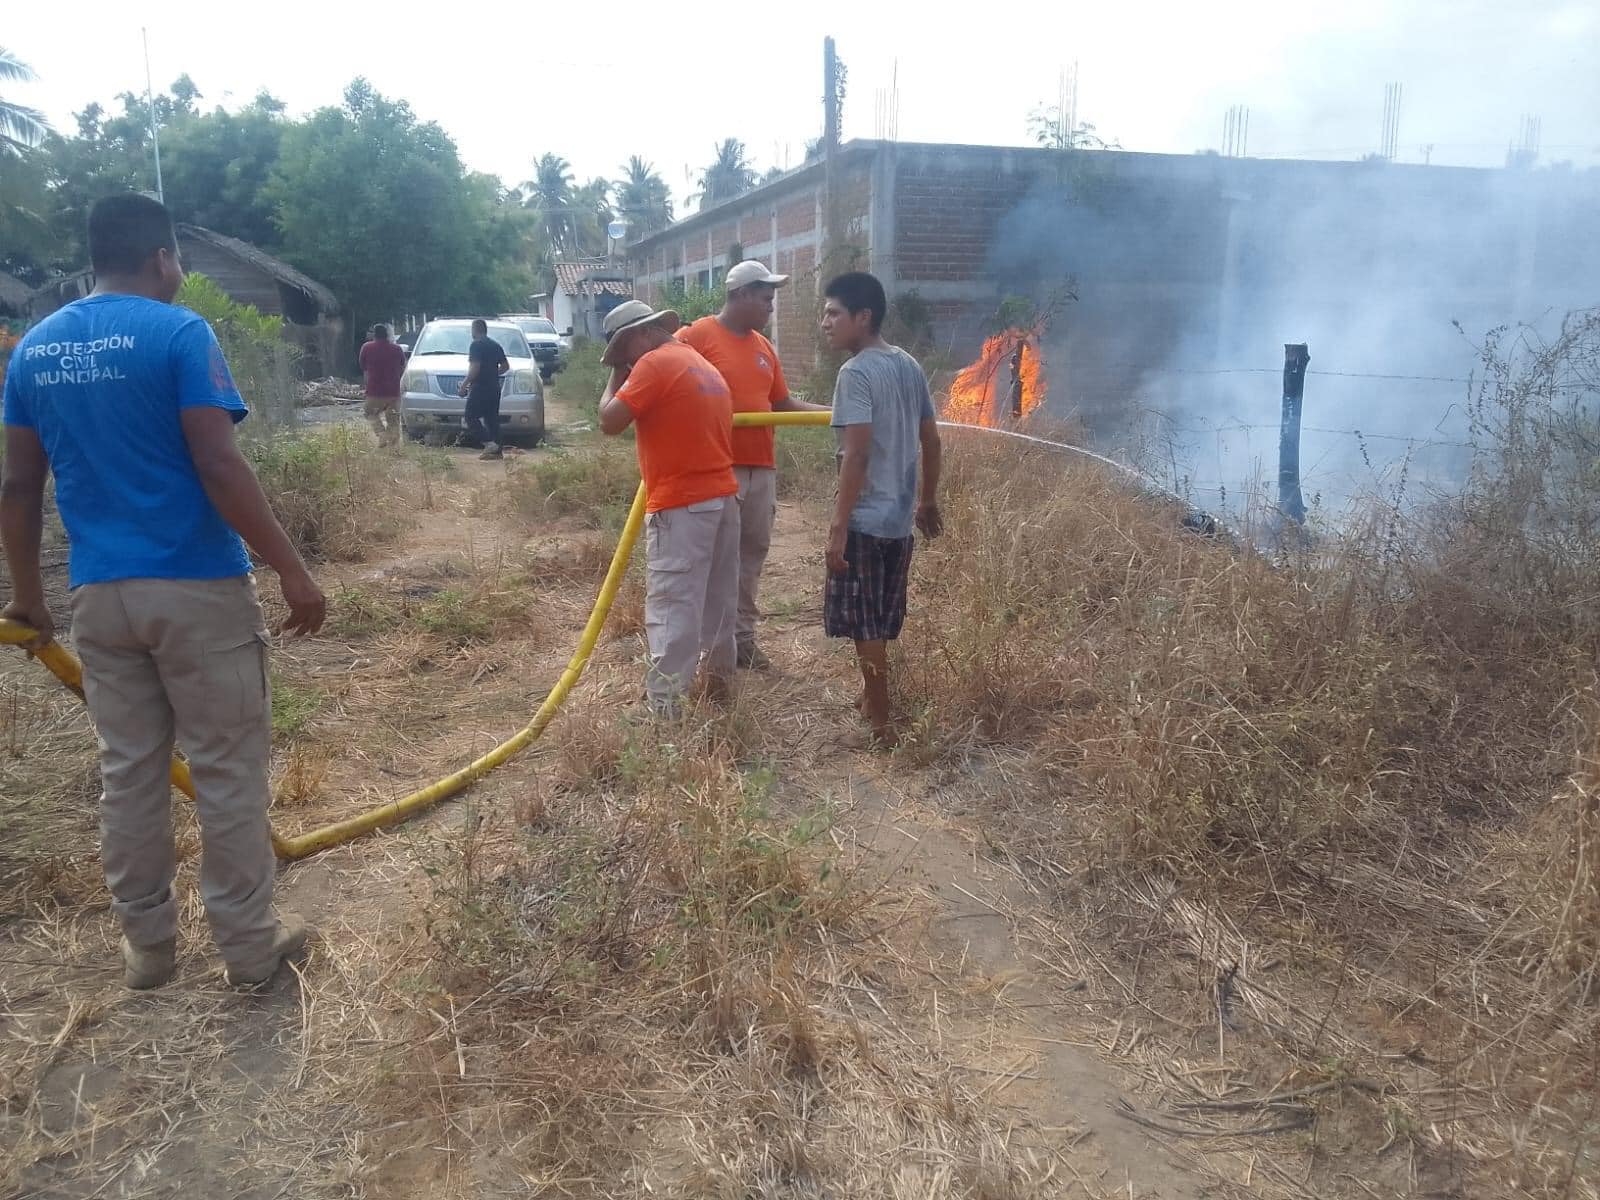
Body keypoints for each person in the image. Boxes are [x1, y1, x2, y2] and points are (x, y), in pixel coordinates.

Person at [0, 193, 326, 989]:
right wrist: (292, 567)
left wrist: (27, 598)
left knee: (130, 774)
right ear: (161, 258)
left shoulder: (32, 351)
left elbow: (16, 483)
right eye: (177, 260)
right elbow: (219, 463)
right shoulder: (179, 333)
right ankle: (249, 945)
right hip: (197, 590)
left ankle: (148, 948)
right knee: (225, 768)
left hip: (100, 598)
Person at [677, 261, 828, 670]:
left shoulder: (764, 348)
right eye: (766, 298)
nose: (771, 306)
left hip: (760, 469)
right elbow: (663, 379)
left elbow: (782, 404)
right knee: (711, 558)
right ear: (740, 294)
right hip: (715, 469)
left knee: (750, 555)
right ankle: (707, 649)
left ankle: (742, 641)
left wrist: (839, 411)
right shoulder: (695, 337)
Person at [597, 299, 740, 717]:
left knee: (674, 606)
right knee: (717, 604)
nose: (624, 362)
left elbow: (609, 421)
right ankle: (718, 691)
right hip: (722, 498)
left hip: (682, 506)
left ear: (641, 334)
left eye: (623, 351)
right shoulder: (698, 362)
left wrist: (613, 378)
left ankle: (666, 712)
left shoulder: (655, 363)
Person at [818, 271, 943, 748]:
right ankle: (872, 698)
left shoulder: (855, 373)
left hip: (866, 520)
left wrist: (837, 525)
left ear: (863, 317)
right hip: (898, 520)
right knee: (881, 617)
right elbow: (930, 438)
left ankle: (881, 721)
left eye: (833, 313)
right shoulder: (907, 364)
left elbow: (858, 455)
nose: (825, 322)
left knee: (866, 621)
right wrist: (927, 499)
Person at [457, 319, 509, 460]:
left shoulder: (476, 345)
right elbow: (505, 366)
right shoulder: (495, 345)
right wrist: (493, 373)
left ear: (475, 330)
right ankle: (497, 452)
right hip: (494, 387)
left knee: (470, 416)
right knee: (492, 419)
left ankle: (489, 443)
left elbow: (475, 368)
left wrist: (464, 384)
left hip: (480, 387)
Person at [358, 323, 406, 447]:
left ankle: (381, 434)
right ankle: (394, 448)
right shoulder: (397, 349)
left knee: (369, 412)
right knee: (394, 420)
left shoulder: (366, 348)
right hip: (393, 392)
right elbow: (402, 367)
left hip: (374, 390)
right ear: (387, 335)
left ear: (374, 335)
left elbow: (363, 368)